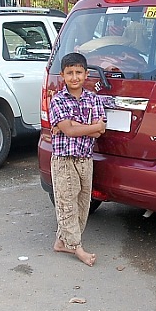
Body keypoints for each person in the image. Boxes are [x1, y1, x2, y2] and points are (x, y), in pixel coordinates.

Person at [48, 52, 107, 266]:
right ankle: (77, 247)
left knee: (83, 202)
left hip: (85, 160)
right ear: (63, 75)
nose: (74, 77)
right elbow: (71, 131)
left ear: (86, 74)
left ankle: (62, 241)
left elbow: (99, 132)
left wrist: (76, 126)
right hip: (64, 159)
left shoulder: (94, 99)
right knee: (67, 203)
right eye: (70, 73)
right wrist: (90, 127)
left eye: (78, 72)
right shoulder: (57, 100)